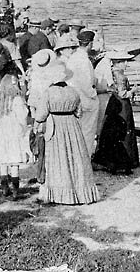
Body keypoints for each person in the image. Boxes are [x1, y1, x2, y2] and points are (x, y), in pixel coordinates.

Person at [34, 60, 99, 205]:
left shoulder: (48, 93)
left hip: (55, 126)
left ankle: (60, 194)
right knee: (75, 158)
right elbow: (79, 112)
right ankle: (81, 193)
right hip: (72, 125)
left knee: (58, 159)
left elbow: (40, 116)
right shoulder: (73, 91)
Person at [91, 52, 140, 174]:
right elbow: (122, 94)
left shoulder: (113, 72)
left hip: (113, 103)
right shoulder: (120, 76)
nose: (126, 64)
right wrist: (133, 90)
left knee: (111, 130)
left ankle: (109, 160)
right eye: (124, 62)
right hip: (122, 104)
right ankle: (123, 162)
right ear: (118, 62)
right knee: (124, 130)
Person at [0, 75, 34, 199]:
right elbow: (22, 116)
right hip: (14, 133)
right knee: (14, 162)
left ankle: (5, 188)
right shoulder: (17, 99)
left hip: (2, 133)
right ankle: (15, 190)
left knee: (4, 162)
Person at [64, 31, 100, 157]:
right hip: (85, 99)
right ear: (89, 44)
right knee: (88, 131)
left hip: (74, 96)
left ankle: (76, 156)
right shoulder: (84, 60)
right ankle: (86, 158)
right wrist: (94, 94)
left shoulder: (73, 58)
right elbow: (87, 83)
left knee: (77, 129)